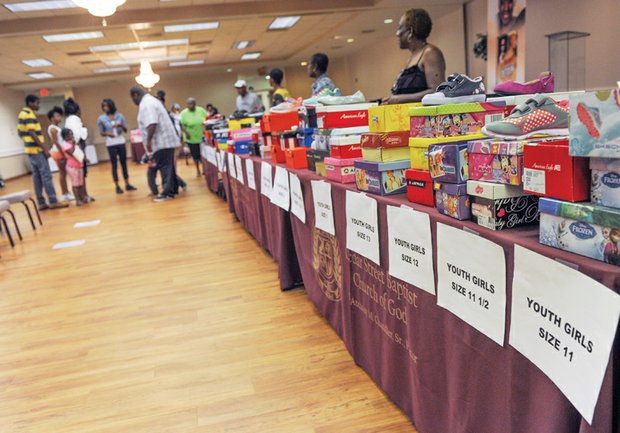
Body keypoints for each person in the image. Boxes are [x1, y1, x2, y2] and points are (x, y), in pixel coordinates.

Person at [382, 9, 446, 104]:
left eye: (400, 28)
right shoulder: (412, 58)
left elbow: (437, 91)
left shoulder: (430, 53)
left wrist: (399, 99)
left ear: (410, 32)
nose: (397, 33)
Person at [17, 95, 68, 210]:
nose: (38, 106)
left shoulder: (21, 114)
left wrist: (28, 143)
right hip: (36, 150)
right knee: (46, 175)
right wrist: (44, 148)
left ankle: (41, 202)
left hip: (30, 150)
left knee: (37, 177)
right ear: (30, 103)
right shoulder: (29, 114)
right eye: (37, 103)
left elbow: (20, 133)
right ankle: (53, 201)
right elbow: (32, 133)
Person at [130, 87, 180, 202]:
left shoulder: (146, 104)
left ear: (135, 95)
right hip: (165, 141)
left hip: (161, 142)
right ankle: (173, 190)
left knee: (165, 167)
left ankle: (167, 193)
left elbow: (152, 123)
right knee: (169, 167)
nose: (133, 101)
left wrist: (148, 141)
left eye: (132, 98)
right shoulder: (151, 101)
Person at [97, 98, 137, 194]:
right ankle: (117, 186)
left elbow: (126, 130)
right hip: (111, 143)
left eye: (106, 106)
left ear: (111, 106)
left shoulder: (119, 116)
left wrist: (120, 126)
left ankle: (127, 184)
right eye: (103, 106)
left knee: (124, 163)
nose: (105, 108)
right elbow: (101, 132)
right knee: (114, 165)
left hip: (120, 140)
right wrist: (108, 134)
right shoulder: (101, 118)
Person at [155, 90, 187, 195]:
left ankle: (175, 187)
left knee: (170, 167)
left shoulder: (169, 115)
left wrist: (180, 141)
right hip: (163, 145)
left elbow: (176, 129)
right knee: (169, 167)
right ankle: (178, 185)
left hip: (171, 144)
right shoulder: (158, 115)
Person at [64, 97, 94, 202]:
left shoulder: (68, 120)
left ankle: (83, 196)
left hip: (76, 148)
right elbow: (78, 136)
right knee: (81, 174)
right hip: (78, 148)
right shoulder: (74, 119)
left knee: (79, 175)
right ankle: (84, 196)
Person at [46, 106, 73, 202]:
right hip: (58, 152)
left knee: (64, 173)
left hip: (59, 151)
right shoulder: (53, 128)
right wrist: (63, 153)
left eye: (60, 115)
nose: (60, 117)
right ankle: (65, 193)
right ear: (52, 118)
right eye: (57, 115)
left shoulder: (56, 127)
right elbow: (56, 142)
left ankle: (67, 192)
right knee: (62, 173)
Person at [60, 128, 88, 206]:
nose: (71, 136)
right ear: (64, 137)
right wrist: (74, 144)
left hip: (79, 165)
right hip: (72, 166)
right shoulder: (65, 145)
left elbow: (80, 152)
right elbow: (73, 153)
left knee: (80, 183)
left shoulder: (73, 143)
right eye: (69, 135)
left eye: (72, 134)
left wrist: (85, 158)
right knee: (75, 183)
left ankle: (82, 197)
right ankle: (77, 200)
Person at [180, 97, 207, 177]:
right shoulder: (184, 113)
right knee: (195, 155)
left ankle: (204, 169)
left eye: (191, 103)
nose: (190, 105)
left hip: (202, 136)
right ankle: (198, 170)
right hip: (191, 138)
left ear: (195, 104)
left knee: (203, 155)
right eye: (188, 104)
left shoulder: (201, 110)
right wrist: (186, 133)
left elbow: (207, 119)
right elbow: (181, 125)